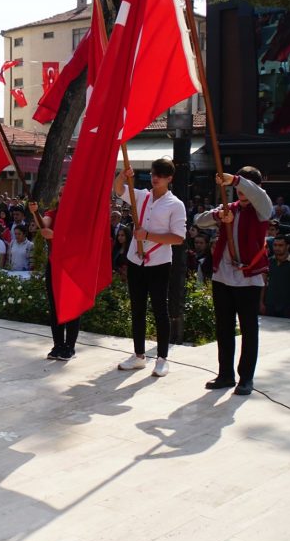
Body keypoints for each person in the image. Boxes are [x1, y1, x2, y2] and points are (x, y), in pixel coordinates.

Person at [195, 168, 273, 395]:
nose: (240, 191)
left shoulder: (262, 209)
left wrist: (237, 180)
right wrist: (220, 216)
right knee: (224, 328)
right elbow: (199, 220)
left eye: (245, 186)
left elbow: (258, 196)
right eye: (237, 187)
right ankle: (225, 374)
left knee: (249, 330)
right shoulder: (230, 209)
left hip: (249, 279)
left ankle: (246, 378)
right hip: (223, 278)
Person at [114, 159, 186, 377]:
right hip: (136, 261)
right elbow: (118, 191)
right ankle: (138, 356)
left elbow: (178, 238)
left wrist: (148, 236)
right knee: (137, 308)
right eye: (155, 173)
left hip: (159, 263)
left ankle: (162, 358)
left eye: (162, 175)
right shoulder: (142, 196)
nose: (156, 178)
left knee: (159, 310)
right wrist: (122, 175)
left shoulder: (175, 204)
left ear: (170, 178)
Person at [31, 199, 81, 361]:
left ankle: (70, 347)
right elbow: (44, 224)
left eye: (64, 194)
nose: (61, 196)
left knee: (72, 307)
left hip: (72, 266)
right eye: (60, 193)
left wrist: (56, 236)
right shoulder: (54, 212)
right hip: (54, 265)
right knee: (54, 307)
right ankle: (58, 344)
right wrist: (34, 211)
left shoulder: (77, 216)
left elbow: (79, 240)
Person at [263, 234, 290, 318]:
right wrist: (260, 303)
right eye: (275, 245)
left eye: (280, 245)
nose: (277, 248)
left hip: (288, 307)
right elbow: (263, 283)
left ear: (288, 246)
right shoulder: (267, 262)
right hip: (270, 305)